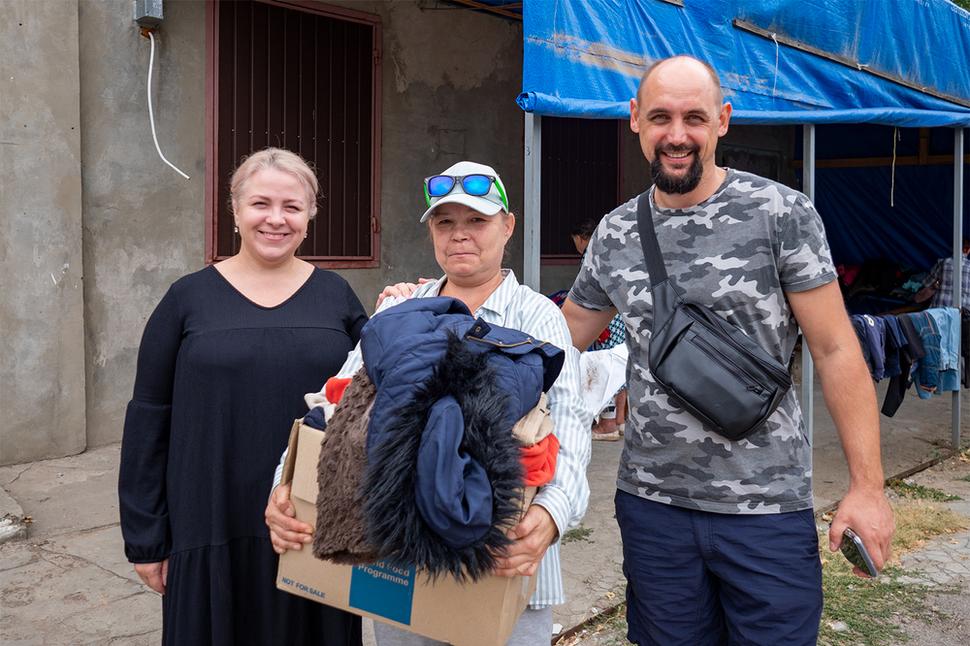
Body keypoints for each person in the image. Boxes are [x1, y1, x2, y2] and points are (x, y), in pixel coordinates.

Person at [560, 56, 895, 645]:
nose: (677, 135)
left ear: (723, 121)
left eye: (695, 117)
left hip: (767, 509)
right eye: (660, 117)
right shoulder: (613, 234)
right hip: (653, 508)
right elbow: (559, 339)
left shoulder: (780, 214)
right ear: (635, 120)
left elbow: (837, 349)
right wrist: (451, 306)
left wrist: (867, 487)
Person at [265, 160, 591, 645]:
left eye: (476, 221)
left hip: (505, 561)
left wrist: (551, 514)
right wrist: (285, 485)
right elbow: (335, 403)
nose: (460, 235)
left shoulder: (538, 316)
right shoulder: (400, 309)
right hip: (396, 561)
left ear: (508, 225)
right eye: (445, 223)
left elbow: (570, 425)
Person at [118, 148, 367, 646]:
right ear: (234, 210)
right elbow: (148, 420)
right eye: (261, 204)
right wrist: (146, 537)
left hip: (312, 525)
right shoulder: (186, 299)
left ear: (310, 215)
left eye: (292, 207)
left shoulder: (337, 296)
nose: (276, 219)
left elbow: (378, 394)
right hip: (208, 523)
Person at [571, 219, 629, 440]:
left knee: (603, 368)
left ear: (580, 238)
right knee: (619, 369)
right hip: (618, 319)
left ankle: (607, 424)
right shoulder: (615, 252)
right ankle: (620, 420)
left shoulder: (591, 253)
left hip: (602, 320)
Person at [914, 238, 970, 308]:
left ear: (953, 248)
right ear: (967, 250)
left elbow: (927, 283)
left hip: (940, 309)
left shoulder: (942, 262)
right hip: (963, 312)